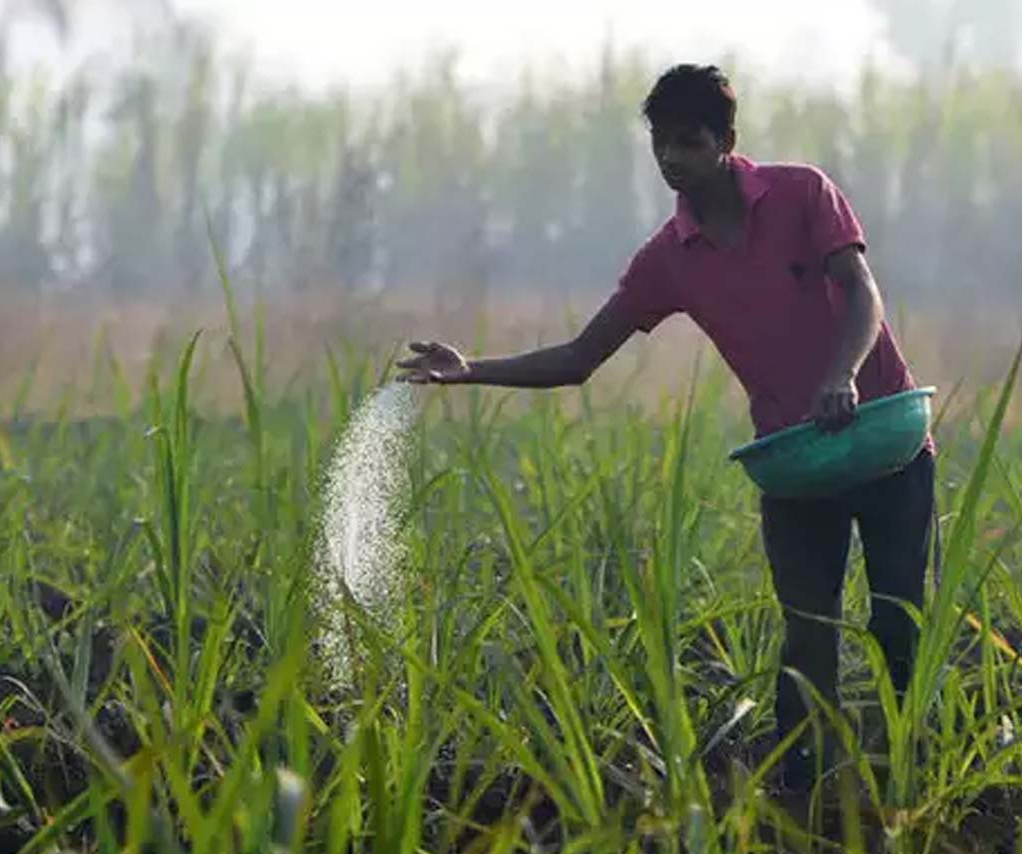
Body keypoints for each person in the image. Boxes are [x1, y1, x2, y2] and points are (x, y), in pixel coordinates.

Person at [398, 64, 934, 792]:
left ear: (726, 141)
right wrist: (470, 370)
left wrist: (842, 375)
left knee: (898, 623)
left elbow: (863, 294)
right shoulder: (669, 259)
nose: (671, 158)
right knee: (808, 636)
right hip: (799, 460)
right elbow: (579, 358)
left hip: (883, 437)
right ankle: (804, 796)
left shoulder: (803, 193)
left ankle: (902, 780)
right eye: (660, 143)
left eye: (689, 142)